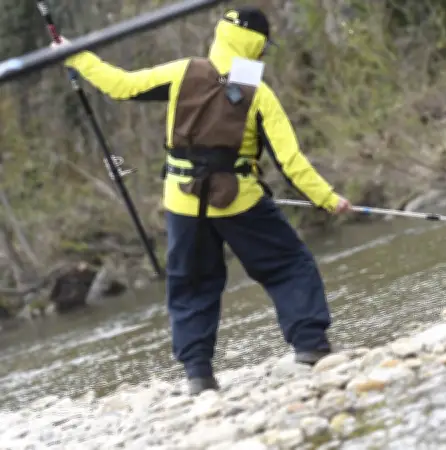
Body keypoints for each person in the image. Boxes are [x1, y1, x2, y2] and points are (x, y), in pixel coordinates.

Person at [51, 6, 352, 395]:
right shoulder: (259, 93)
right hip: (239, 201)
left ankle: (199, 375)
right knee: (289, 265)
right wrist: (328, 200)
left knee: (192, 286)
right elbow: (291, 162)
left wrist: (72, 54)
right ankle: (311, 346)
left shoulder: (181, 72)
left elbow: (119, 85)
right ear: (257, 46)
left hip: (182, 202)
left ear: (221, 34)